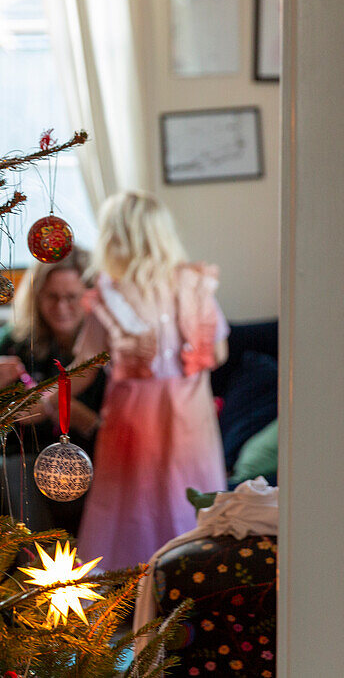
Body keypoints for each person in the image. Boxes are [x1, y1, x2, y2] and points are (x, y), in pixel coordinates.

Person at [73, 192, 229, 571]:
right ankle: (193, 586)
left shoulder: (109, 294)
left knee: (130, 504)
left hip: (133, 422)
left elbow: (84, 368)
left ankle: (125, 592)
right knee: (188, 498)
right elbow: (219, 354)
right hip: (190, 419)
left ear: (113, 238)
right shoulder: (194, 285)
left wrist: (42, 396)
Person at [0, 249, 105, 535]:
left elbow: (116, 431)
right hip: (10, 457)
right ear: (37, 297)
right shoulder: (19, 338)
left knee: (20, 469)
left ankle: (37, 562)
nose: (61, 307)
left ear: (91, 297)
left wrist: (70, 414)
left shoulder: (106, 349)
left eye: (71, 297)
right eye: (52, 297)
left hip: (83, 463)